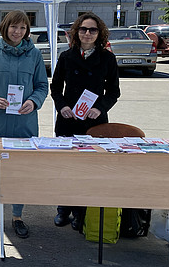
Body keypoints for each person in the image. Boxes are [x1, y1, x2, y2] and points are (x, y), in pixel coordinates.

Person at [0, 10, 48, 239]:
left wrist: (33, 102)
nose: (17, 31)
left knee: (19, 174)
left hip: (24, 124)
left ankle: (17, 216)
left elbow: (42, 86)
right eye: (14, 27)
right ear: (5, 28)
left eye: (22, 28)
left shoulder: (34, 55)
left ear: (27, 31)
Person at [50, 12, 120, 230]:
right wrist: (62, 107)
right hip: (68, 120)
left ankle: (82, 213)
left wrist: (99, 108)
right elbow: (55, 88)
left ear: (99, 33)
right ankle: (64, 209)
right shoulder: (66, 56)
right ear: (76, 32)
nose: (87, 33)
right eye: (83, 29)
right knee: (67, 167)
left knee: (88, 169)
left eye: (92, 30)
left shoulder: (107, 58)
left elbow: (114, 92)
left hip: (94, 123)